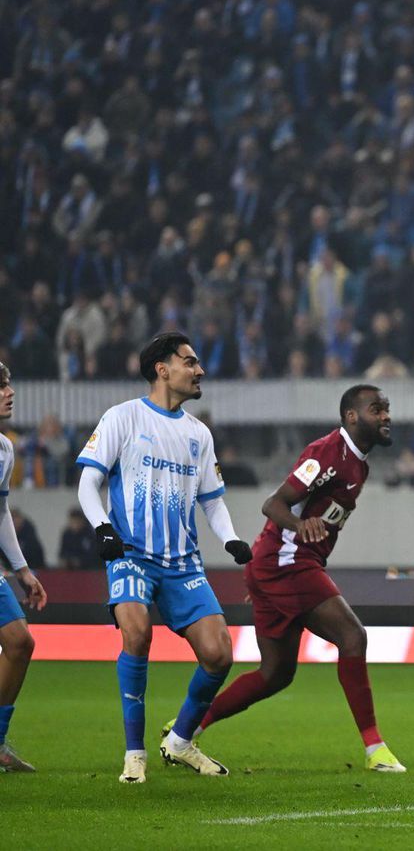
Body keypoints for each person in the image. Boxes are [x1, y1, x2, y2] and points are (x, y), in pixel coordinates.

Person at [192, 385, 406, 773]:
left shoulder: (359, 463)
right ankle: (375, 749)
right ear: (351, 416)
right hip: (290, 563)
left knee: (275, 674)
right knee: (353, 637)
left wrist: (260, 574)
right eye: (377, 409)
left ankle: (187, 728)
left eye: (387, 409)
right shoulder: (327, 452)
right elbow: (273, 504)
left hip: (278, 566)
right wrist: (295, 528)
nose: (386, 416)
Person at [75, 333, 252, 784]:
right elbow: (87, 482)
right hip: (130, 552)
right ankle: (135, 754)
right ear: (162, 368)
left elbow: (211, 500)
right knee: (136, 632)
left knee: (219, 655)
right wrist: (104, 530)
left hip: (182, 563)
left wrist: (230, 538)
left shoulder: (199, 434)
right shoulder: (123, 417)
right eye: (190, 362)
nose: (200, 370)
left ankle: (179, 741)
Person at [0, 361, 49, 772]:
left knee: (19, 641)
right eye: (0, 387)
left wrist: (22, 570)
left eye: (9, 384)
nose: (9, 392)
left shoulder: (5, 449)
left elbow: (0, 512)